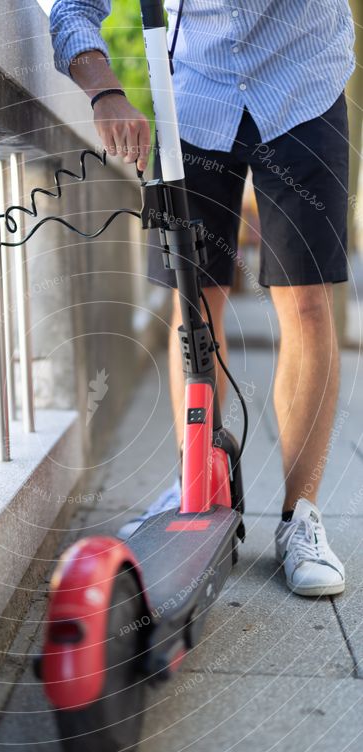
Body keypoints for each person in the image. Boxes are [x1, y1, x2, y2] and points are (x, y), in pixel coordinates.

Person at [49, 0, 354, 597]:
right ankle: (198, 482)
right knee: (194, 299)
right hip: (191, 95)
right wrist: (104, 89)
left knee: (308, 302)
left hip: (304, 83)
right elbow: (73, 8)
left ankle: (301, 518)